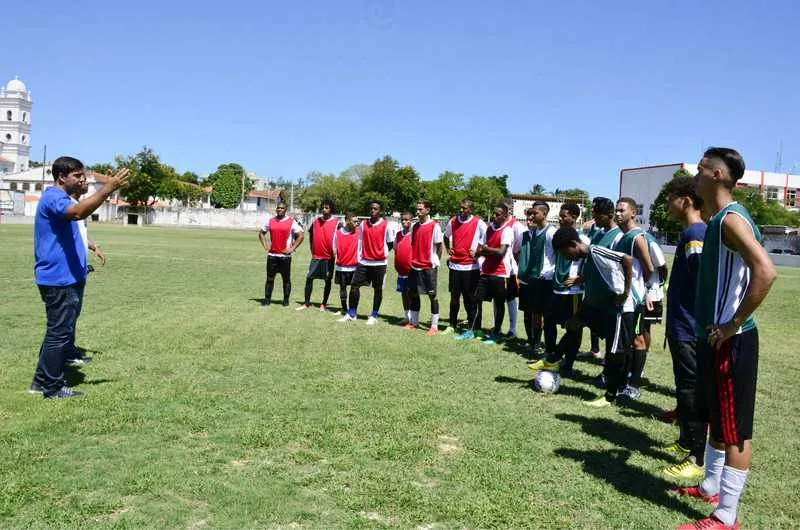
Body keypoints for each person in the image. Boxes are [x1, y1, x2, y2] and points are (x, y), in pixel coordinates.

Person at [674, 148, 776, 530]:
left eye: (700, 169)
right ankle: (711, 487)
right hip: (714, 339)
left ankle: (725, 516)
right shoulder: (718, 220)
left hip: (732, 342)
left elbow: (765, 271)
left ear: (717, 174)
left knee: (735, 430)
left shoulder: (731, 220)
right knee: (719, 420)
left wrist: (733, 324)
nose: (695, 175)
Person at [29, 156, 129, 399]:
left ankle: (40, 382)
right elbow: (78, 214)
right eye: (78, 176)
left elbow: (75, 226)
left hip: (67, 276)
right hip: (58, 279)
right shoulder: (54, 198)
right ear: (62, 177)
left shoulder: (62, 198)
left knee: (58, 332)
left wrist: (91, 247)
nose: (83, 179)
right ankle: (51, 388)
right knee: (59, 334)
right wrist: (108, 188)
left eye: (83, 175)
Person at [549, 227, 634, 408]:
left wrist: (626, 292)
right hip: (601, 307)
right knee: (573, 323)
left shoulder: (595, 250)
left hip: (620, 309)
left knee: (615, 353)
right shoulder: (587, 259)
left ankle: (611, 395)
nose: (566, 258)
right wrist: (581, 279)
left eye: (566, 253)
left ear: (573, 244)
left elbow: (627, 259)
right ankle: (553, 358)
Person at [658, 176, 708, 482]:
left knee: (691, 389)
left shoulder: (695, 234)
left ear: (686, 201)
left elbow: (704, 286)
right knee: (683, 386)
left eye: (670, 199)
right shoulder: (689, 233)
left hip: (690, 329)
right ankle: (686, 440)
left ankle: (696, 455)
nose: (667, 205)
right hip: (682, 327)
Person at [532, 202, 590, 374]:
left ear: (574, 217)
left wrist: (580, 279)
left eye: (564, 216)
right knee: (548, 321)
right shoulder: (557, 236)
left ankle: (568, 363)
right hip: (556, 286)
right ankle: (550, 355)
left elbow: (590, 264)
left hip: (572, 292)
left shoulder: (583, 239)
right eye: (560, 216)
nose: (561, 219)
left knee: (573, 327)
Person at [612, 197, 656, 401]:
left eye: (622, 210)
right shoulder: (622, 237)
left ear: (633, 213)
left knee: (637, 340)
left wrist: (642, 291)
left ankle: (634, 384)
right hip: (624, 298)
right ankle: (623, 380)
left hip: (634, 298)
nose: (618, 214)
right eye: (616, 210)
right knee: (626, 341)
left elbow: (649, 268)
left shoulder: (638, 237)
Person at [516, 203, 557, 365]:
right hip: (533, 280)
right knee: (533, 313)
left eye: (535, 213)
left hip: (546, 280)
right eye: (530, 213)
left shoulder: (551, 232)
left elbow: (559, 255)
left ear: (544, 214)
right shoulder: (533, 232)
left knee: (545, 316)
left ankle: (547, 348)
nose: (531, 216)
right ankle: (535, 343)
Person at [473, 203, 515, 344]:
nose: (494, 217)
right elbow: (480, 249)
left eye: (498, 214)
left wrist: (485, 249)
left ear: (504, 216)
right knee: (477, 300)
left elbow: (501, 252)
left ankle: (496, 332)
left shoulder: (507, 230)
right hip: (485, 270)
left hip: (500, 273)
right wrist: (485, 250)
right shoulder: (489, 229)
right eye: (494, 214)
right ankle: (475, 329)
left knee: (499, 304)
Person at [444, 199, 486, 338]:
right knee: (454, 297)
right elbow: (446, 236)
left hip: (471, 267)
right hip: (455, 266)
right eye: (460, 208)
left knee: (471, 298)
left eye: (465, 208)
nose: (461, 210)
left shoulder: (478, 223)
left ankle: (473, 328)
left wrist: (478, 252)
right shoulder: (453, 221)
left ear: (471, 210)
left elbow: (487, 240)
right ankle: (452, 325)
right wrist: (448, 248)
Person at [347, 201, 393, 324]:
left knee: (378, 289)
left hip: (379, 263)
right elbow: (360, 241)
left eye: (375, 209)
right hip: (364, 262)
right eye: (371, 208)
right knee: (354, 285)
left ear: (380, 211)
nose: (372, 211)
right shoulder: (363, 224)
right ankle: (352, 314)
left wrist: (379, 253)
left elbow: (390, 243)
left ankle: (373, 316)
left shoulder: (386, 225)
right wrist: (359, 257)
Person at [405, 200, 444, 335]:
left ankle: (434, 326)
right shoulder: (414, 226)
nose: (418, 212)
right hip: (415, 266)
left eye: (420, 209)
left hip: (429, 267)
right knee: (414, 294)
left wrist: (435, 262)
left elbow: (439, 246)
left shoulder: (435, 226)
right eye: (417, 209)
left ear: (427, 210)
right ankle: (414, 323)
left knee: (432, 296)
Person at [258, 201, 304, 307]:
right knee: (270, 279)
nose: (280, 209)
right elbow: (261, 233)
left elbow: (301, 236)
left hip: (285, 257)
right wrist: (266, 246)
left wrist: (292, 248)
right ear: (276, 209)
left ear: (285, 210)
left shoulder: (291, 222)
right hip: (272, 256)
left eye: (282, 208)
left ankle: (286, 300)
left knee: (286, 279)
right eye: (278, 208)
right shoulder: (270, 221)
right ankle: (267, 299)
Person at [298, 199, 339, 311]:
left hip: (328, 258)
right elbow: (311, 236)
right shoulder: (316, 222)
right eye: (323, 207)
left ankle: (323, 304)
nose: (324, 209)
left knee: (327, 280)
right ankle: (307, 303)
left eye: (327, 208)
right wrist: (312, 249)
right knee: (309, 278)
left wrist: (337, 250)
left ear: (331, 209)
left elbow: (341, 239)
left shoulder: (337, 223)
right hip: (316, 257)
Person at [502, 198, 526, 339]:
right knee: (498, 298)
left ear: (510, 210)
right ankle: (498, 326)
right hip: (497, 269)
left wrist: (517, 268)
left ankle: (512, 328)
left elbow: (520, 248)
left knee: (510, 298)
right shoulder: (496, 224)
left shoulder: (516, 225)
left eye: (508, 209)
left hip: (511, 269)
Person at [333, 212, 359, 320]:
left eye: (357, 221)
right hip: (341, 266)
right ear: (347, 221)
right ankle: (344, 308)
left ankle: (353, 311)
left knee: (355, 289)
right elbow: (334, 248)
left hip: (354, 266)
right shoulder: (338, 233)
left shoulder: (359, 232)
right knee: (342, 288)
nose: (357, 223)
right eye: (355, 221)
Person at [393, 212, 414, 325]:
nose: (404, 222)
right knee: (403, 294)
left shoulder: (414, 234)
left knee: (411, 294)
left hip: (411, 271)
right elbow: (396, 250)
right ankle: (406, 316)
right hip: (401, 272)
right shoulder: (398, 235)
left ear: (412, 220)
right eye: (402, 220)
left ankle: (413, 318)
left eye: (407, 220)